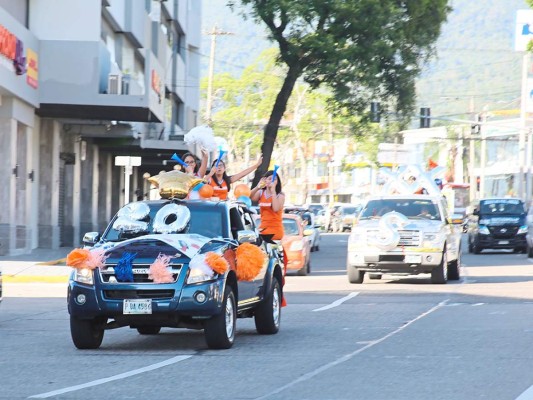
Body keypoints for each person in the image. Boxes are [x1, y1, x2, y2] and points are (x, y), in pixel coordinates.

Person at [250, 170, 285, 241]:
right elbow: (249, 197)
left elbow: (275, 208)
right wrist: (257, 187)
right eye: (269, 179)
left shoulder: (280, 195)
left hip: (275, 230)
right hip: (263, 228)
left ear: (277, 182)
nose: (271, 181)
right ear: (265, 180)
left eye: (274, 179)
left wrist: (273, 191)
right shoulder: (261, 193)